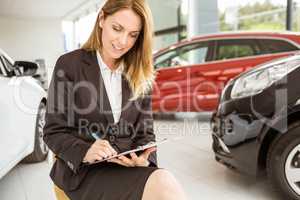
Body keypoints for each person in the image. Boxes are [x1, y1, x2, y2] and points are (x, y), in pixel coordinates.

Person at [43, 0, 187, 199]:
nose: (122, 41)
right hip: (84, 171)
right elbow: (53, 131)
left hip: (126, 169)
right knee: (164, 185)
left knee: (163, 180)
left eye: (133, 35)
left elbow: (146, 134)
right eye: (117, 28)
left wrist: (144, 161)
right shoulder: (70, 64)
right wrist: (86, 150)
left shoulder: (140, 74)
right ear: (102, 19)